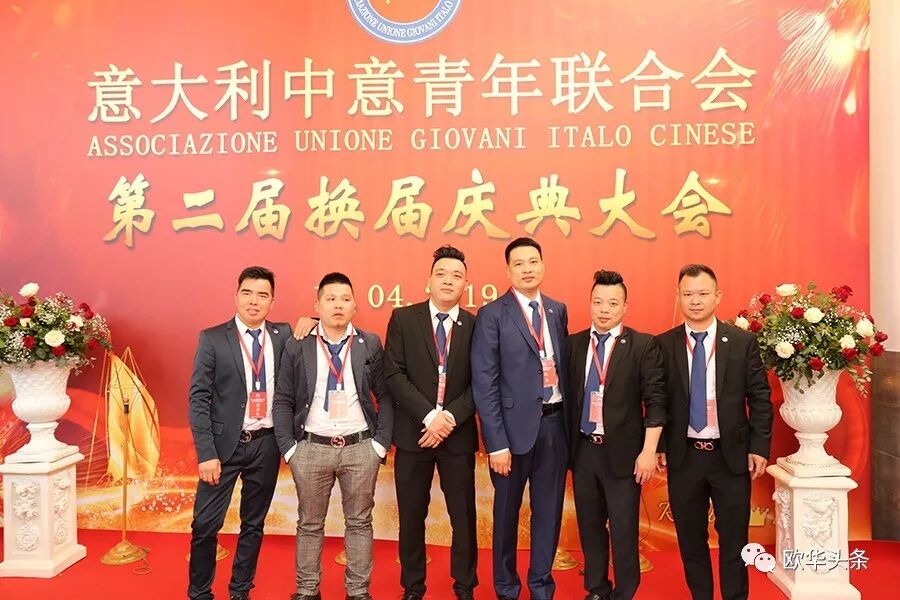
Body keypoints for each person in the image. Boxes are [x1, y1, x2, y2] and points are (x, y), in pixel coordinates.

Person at [272, 272, 393, 600]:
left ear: (355, 306)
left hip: (360, 447)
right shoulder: (298, 344)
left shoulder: (370, 343)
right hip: (311, 448)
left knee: (359, 523)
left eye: (345, 299)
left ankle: (358, 592)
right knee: (309, 524)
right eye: (330, 299)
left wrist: (380, 445)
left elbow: (385, 396)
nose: (338, 305)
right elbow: (282, 399)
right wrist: (290, 449)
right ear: (317, 306)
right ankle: (306, 590)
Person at [656, 264, 773, 600]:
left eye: (703, 293)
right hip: (685, 456)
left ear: (718, 296)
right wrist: (660, 444)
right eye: (688, 294)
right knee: (690, 539)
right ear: (678, 297)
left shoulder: (741, 342)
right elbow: (656, 399)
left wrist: (759, 446)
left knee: (734, 540)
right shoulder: (663, 344)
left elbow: (760, 397)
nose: (695, 301)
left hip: (729, 457)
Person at [471, 237, 569, 600]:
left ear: (543, 265)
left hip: (554, 425)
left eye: (533, 262)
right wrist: (496, 443)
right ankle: (506, 588)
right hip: (511, 435)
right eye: (519, 263)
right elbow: (485, 383)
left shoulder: (557, 310)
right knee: (506, 515)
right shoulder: (493, 314)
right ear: (508, 270)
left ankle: (541, 586)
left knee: (549, 512)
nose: (527, 269)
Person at [187, 266, 292, 600]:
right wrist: (206, 453)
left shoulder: (284, 335)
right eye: (247, 293)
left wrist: (311, 321)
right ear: (236, 296)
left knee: (253, 524)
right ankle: (199, 593)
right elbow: (198, 398)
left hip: (266, 445)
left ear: (272, 301)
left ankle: (240, 590)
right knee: (205, 525)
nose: (254, 301)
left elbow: (322, 334)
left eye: (262, 295)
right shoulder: (213, 338)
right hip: (222, 448)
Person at [564, 270, 666, 600]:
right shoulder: (574, 344)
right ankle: (596, 589)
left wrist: (648, 451)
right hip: (584, 451)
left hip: (624, 454)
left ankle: (624, 592)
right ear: (589, 303)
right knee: (590, 526)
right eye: (598, 302)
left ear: (625, 306)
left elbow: (656, 401)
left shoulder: (642, 345)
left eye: (612, 303)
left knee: (623, 529)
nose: (604, 309)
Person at [384, 245, 479, 600]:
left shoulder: (476, 325)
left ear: (465, 284)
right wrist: (429, 416)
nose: (448, 281)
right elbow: (393, 374)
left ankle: (465, 586)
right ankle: (413, 587)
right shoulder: (403, 319)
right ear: (429, 280)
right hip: (415, 434)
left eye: (456, 276)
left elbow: (482, 381)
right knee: (411, 517)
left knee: (463, 517)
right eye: (441, 274)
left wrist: (448, 418)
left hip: (457, 435)